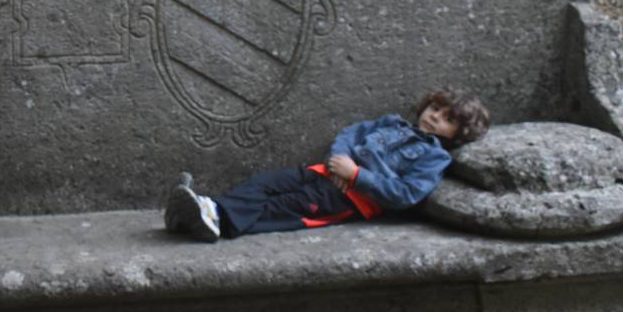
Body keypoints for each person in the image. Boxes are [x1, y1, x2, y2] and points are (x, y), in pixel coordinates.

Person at [164, 89, 489, 241]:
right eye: (435, 107)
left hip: (349, 198)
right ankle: (204, 211)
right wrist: (340, 162)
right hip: (324, 172)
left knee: (285, 207)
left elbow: (406, 193)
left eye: (447, 119)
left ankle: (211, 218)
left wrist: (357, 176)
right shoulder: (393, 124)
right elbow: (351, 133)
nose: (434, 116)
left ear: (458, 133)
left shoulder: (435, 158)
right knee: (265, 183)